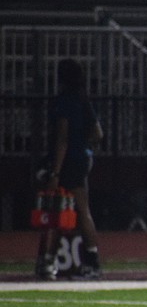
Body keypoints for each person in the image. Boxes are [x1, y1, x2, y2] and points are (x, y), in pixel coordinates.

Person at [36, 59, 104, 280]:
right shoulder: (83, 100)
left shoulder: (64, 102)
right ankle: (56, 260)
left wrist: (55, 172)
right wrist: (85, 148)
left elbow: (63, 138)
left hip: (68, 161)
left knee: (64, 210)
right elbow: (98, 133)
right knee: (76, 209)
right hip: (81, 159)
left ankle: (53, 261)